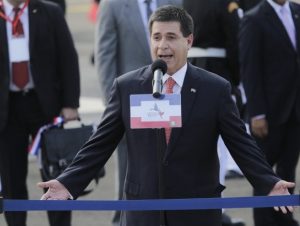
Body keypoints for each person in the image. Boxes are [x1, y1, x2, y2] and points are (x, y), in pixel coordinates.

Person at [39, 5, 294, 226]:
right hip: (144, 210)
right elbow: (100, 144)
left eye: (171, 37)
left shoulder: (214, 89)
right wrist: (67, 182)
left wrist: (268, 182)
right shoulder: (128, 87)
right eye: (157, 37)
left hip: (196, 210)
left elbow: (241, 143)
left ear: (189, 41)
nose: (163, 46)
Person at [95, 0, 181, 224]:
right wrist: (112, 104)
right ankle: (122, 216)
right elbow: (105, 55)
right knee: (130, 166)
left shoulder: (174, 3)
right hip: (131, 101)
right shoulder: (112, 5)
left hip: (170, 99)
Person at [0, 0, 80, 226]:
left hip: (45, 106)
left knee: (56, 175)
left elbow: (68, 58)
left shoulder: (49, 12)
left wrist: (70, 103)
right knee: (11, 178)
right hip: (7, 109)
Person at [183, 1, 245, 225]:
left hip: (189, 68)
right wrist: (237, 78)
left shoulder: (187, 3)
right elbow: (234, 41)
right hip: (218, 70)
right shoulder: (224, 4)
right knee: (218, 146)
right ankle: (216, 209)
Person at [239, 0, 300, 226]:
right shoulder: (254, 18)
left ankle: (285, 219)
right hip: (268, 112)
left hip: (295, 110)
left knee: (288, 170)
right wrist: (256, 114)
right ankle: (264, 221)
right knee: (265, 175)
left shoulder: (296, 12)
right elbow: (250, 69)